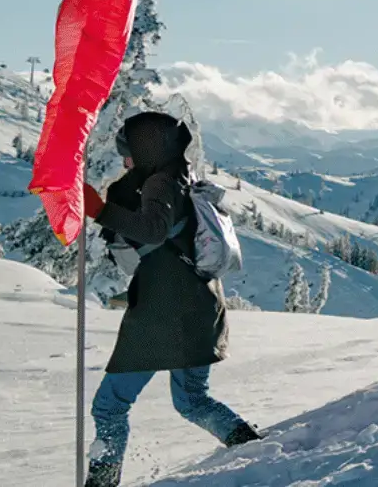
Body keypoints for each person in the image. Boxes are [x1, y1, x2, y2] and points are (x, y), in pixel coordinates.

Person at [81, 111, 260, 487]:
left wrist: (100, 210)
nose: (125, 160)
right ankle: (251, 448)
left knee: (110, 405)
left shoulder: (160, 183)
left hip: (164, 312)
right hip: (200, 305)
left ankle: (103, 482)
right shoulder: (181, 174)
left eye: (128, 152)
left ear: (149, 149)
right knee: (192, 399)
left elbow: (155, 229)